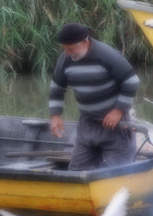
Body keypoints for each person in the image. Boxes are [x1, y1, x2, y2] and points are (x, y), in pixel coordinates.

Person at [48, 22, 140, 170]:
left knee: (119, 174)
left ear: (85, 42)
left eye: (71, 49)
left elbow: (131, 81)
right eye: (64, 49)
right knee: (77, 173)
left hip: (115, 125)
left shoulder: (106, 55)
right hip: (87, 125)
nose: (67, 53)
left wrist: (118, 111)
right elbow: (57, 88)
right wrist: (55, 116)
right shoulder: (65, 60)